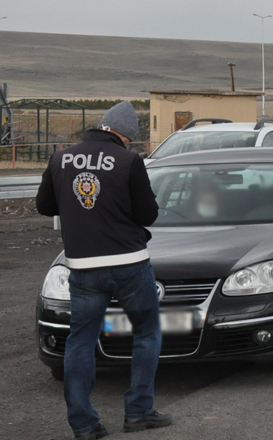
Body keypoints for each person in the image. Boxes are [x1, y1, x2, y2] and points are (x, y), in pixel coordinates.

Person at [35, 101, 172, 439]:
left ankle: (83, 425)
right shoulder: (128, 161)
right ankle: (139, 412)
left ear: (100, 125)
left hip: (83, 267)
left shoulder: (61, 158)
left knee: (80, 342)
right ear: (126, 135)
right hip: (129, 265)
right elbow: (148, 215)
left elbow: (44, 205)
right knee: (147, 332)